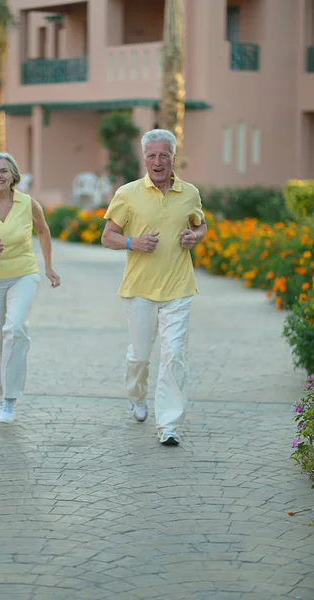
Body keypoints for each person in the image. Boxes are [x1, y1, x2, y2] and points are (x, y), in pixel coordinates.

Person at [101, 129, 207, 446]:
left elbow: (199, 224)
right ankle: (136, 395)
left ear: (173, 158)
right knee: (140, 357)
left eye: (163, 155)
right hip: (140, 290)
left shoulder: (189, 193)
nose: (157, 162)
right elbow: (108, 236)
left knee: (174, 355)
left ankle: (169, 425)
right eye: (151, 155)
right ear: (143, 158)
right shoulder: (128, 193)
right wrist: (133, 242)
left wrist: (195, 237)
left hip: (179, 288)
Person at [0, 152, 60, 424]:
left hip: (23, 275)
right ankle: (1, 392)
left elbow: (43, 231)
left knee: (14, 329)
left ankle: (9, 399)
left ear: (13, 176)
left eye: (4, 171)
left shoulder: (28, 204)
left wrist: (49, 266)